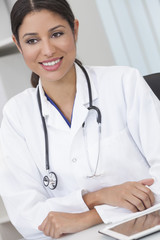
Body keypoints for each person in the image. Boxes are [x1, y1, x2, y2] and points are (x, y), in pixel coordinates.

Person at [0, 0, 160, 239]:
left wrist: (88, 217)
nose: (47, 50)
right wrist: (97, 197)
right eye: (32, 40)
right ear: (18, 44)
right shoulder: (17, 114)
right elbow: (26, 217)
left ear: (74, 30)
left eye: (56, 34)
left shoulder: (124, 83)